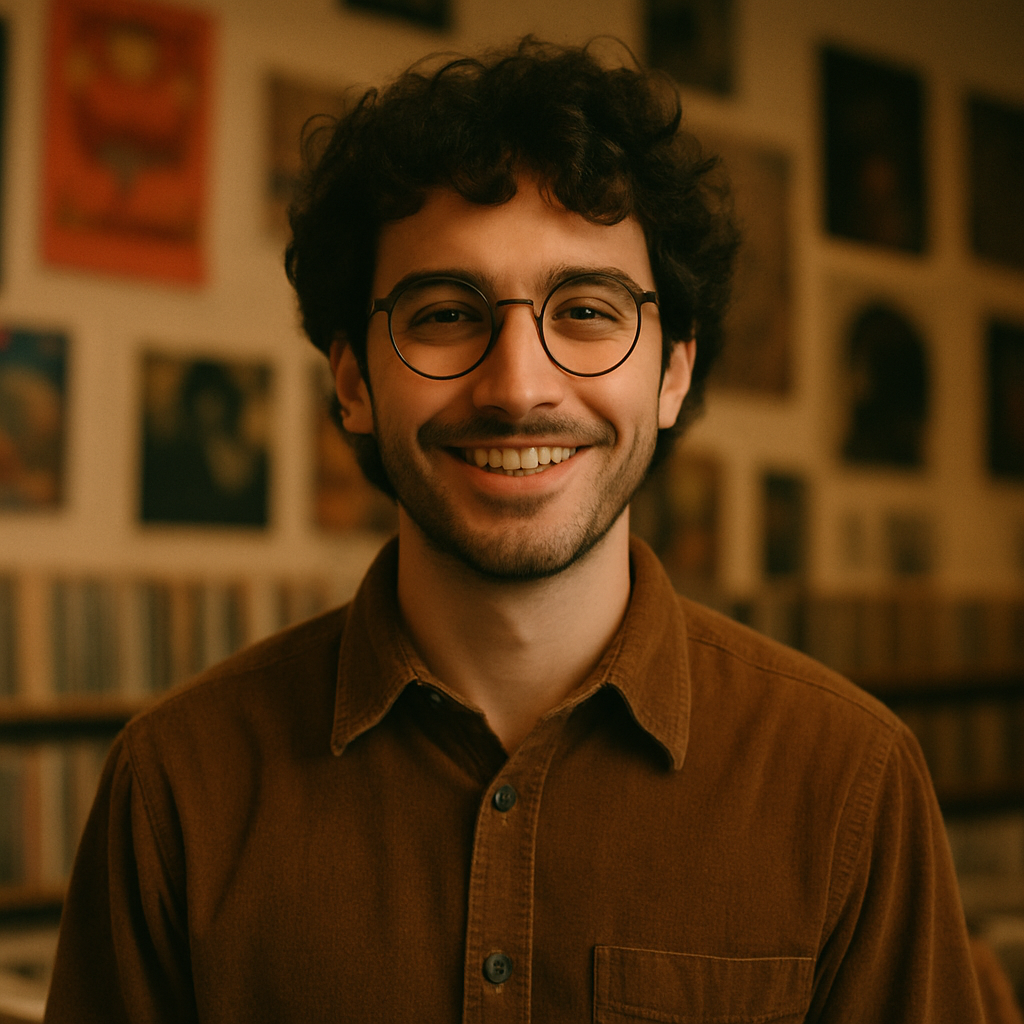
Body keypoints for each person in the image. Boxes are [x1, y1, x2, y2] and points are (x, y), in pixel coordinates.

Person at [45, 37, 984, 1023]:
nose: (518, 385)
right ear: (354, 380)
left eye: (585, 308)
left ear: (671, 374)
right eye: (446, 313)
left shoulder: (851, 782)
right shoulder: (174, 786)